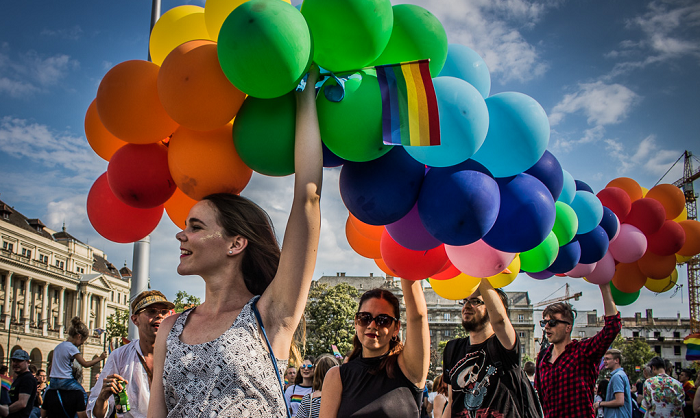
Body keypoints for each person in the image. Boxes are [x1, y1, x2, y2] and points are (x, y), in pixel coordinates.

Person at [148, 65, 323, 418]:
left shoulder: (270, 314)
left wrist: (307, 96)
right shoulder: (170, 328)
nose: (181, 234)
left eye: (196, 226)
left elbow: (308, 199)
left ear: (235, 244)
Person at [319, 280, 431, 418]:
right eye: (364, 318)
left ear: (396, 328)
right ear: (356, 322)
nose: (372, 325)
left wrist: (404, 264)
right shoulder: (337, 376)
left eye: (383, 320)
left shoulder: (408, 368)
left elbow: (418, 317)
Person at [442, 279, 542, 417]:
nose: (467, 305)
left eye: (475, 301)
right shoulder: (452, 348)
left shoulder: (504, 346)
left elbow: (500, 321)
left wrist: (479, 274)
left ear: (492, 308)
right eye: (465, 301)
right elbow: (452, 401)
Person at [535, 282, 621, 418]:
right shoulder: (543, 357)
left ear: (568, 327)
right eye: (543, 323)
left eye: (552, 323)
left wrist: (604, 285)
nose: (546, 327)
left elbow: (612, 327)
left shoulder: (583, 351)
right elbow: (539, 396)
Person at [87, 290, 174, 418]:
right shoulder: (120, 356)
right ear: (135, 319)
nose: (159, 316)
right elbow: (95, 414)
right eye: (151, 311)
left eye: (164, 312)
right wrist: (103, 398)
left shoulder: (179, 354)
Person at [48, 317, 106, 397]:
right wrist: (100, 358)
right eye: (82, 342)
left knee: (47, 396)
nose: (80, 344)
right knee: (82, 394)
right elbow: (85, 364)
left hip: (53, 380)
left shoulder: (58, 346)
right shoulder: (72, 348)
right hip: (65, 380)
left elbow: (50, 367)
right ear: (79, 336)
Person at [593, 349, 631, 417]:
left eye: (607, 359)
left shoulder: (617, 376)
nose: (604, 362)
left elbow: (619, 401)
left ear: (617, 360)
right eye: (604, 359)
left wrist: (600, 404)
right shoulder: (620, 374)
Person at [0, 350, 37, 418]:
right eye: (14, 361)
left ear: (28, 362)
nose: (15, 363)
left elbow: (22, 403)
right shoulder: (19, 378)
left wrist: (5, 411)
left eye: (19, 361)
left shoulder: (28, 378)